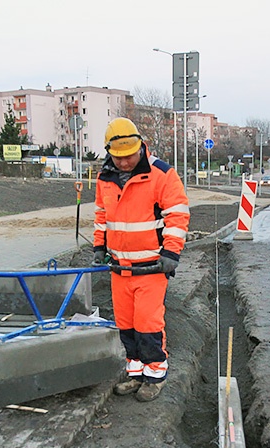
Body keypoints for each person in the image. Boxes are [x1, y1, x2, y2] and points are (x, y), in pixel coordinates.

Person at [92, 117, 190, 402]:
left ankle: (155, 375)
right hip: (120, 268)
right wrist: (100, 246)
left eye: (130, 156)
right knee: (126, 324)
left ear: (140, 146)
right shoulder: (104, 178)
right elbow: (102, 215)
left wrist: (171, 252)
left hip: (150, 267)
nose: (124, 162)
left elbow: (177, 214)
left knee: (148, 323)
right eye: (118, 157)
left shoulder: (161, 174)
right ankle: (135, 372)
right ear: (110, 152)